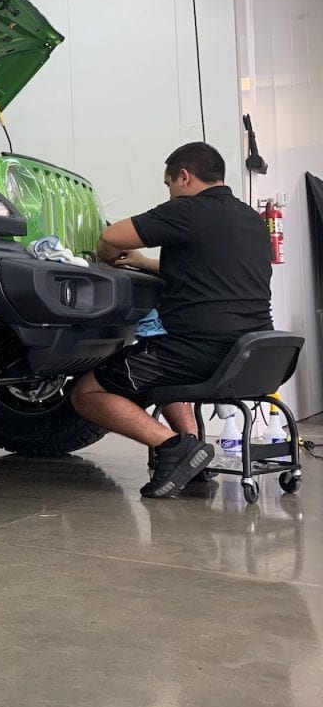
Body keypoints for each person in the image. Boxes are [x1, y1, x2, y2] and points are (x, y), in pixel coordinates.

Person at [71, 142, 273, 498]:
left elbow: (109, 236)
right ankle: (192, 450)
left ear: (184, 176)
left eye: (169, 185)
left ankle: (175, 448)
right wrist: (142, 262)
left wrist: (105, 259)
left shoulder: (188, 211)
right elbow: (209, 268)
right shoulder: (249, 219)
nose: (170, 193)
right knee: (158, 360)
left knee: (87, 392)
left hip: (199, 351)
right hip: (251, 353)